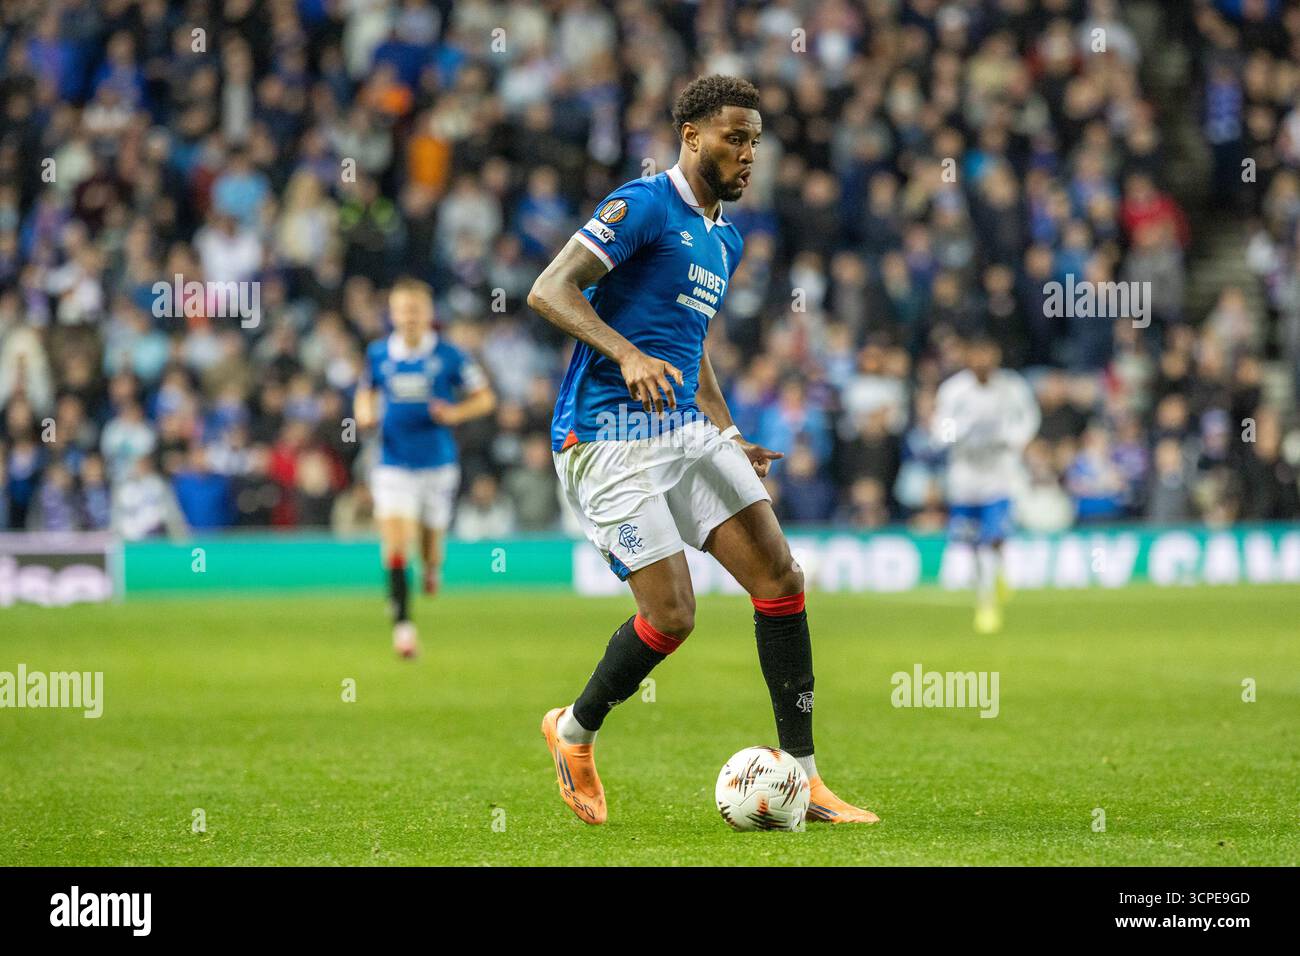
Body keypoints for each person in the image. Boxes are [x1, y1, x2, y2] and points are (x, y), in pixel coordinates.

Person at [527, 75, 876, 827]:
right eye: (735, 138)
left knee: (781, 577)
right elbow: (550, 290)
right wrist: (624, 353)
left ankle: (807, 779)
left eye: (755, 141)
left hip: (684, 430)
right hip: (607, 437)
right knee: (673, 616)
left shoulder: (725, 236)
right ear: (692, 137)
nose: (749, 154)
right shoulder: (643, 204)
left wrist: (725, 432)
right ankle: (575, 731)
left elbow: (693, 346)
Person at [353, 278, 495, 658]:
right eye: (401, 310)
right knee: (397, 545)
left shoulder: (451, 355)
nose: (408, 318)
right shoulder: (379, 353)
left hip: (437, 465)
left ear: (429, 314)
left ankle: (431, 570)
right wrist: (365, 415)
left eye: (415, 310)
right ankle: (403, 626)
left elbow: (484, 399)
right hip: (393, 463)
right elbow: (365, 391)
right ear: (392, 315)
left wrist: (454, 413)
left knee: (430, 550)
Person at [933, 333, 1040, 634]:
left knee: (992, 539)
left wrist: (1017, 439)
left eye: (988, 354)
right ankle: (990, 583)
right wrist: (960, 431)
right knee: (971, 544)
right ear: (968, 357)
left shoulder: (1012, 386)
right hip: (965, 479)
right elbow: (941, 430)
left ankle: (987, 604)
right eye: (977, 355)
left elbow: (1029, 417)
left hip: (999, 476)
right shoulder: (954, 391)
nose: (983, 361)